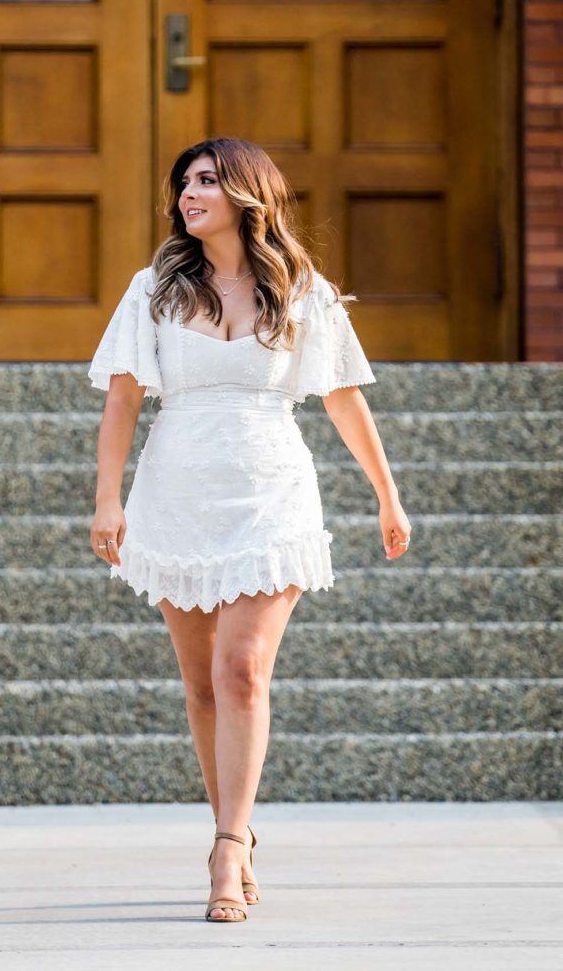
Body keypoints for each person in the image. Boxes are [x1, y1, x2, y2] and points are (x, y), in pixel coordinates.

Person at [88, 137, 411, 923]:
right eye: (184, 184)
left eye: (206, 181)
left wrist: (387, 496)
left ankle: (228, 847)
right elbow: (123, 401)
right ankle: (231, 827)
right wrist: (108, 499)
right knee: (201, 687)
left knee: (241, 671)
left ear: (245, 194)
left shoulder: (303, 289)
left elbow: (341, 398)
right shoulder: (154, 290)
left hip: (271, 494)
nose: (189, 194)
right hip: (177, 492)